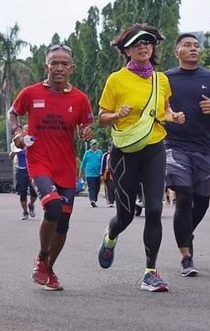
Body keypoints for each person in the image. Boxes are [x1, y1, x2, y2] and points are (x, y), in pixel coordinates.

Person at [96, 23, 185, 292]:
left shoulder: (162, 80)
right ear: (126, 50)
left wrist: (174, 117)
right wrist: (117, 115)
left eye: (147, 42)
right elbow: (101, 118)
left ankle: (150, 271)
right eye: (137, 44)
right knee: (124, 216)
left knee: (155, 210)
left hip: (155, 148)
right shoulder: (116, 79)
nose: (143, 47)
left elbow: (165, 110)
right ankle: (111, 236)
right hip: (125, 153)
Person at [8, 43, 93, 291]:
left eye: (64, 64)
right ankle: (42, 257)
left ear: (71, 69)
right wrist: (17, 131)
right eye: (54, 63)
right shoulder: (30, 93)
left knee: (63, 223)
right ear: (46, 66)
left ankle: (49, 268)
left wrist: (86, 132)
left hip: (65, 166)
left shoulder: (80, 99)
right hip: (39, 162)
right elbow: (13, 113)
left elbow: (85, 128)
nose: (58, 68)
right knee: (53, 208)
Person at [164, 32, 210, 276]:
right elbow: (153, 106)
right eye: (187, 45)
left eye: (196, 46)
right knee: (183, 196)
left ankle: (185, 232)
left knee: (202, 202)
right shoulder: (165, 79)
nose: (193, 49)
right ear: (177, 52)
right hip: (174, 146)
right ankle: (186, 257)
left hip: (203, 148)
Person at [9, 143, 37, 220]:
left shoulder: (30, 143)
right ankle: (25, 212)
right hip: (21, 171)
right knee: (23, 192)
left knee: (34, 192)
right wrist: (14, 151)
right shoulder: (17, 145)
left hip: (32, 170)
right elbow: (10, 157)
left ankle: (31, 204)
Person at [79, 139, 104, 208]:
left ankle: (94, 200)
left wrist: (103, 173)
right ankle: (92, 200)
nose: (94, 146)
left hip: (98, 173)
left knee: (97, 188)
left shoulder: (100, 152)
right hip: (89, 173)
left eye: (95, 144)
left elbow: (103, 163)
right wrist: (80, 172)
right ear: (91, 145)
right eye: (93, 144)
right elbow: (83, 163)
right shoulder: (87, 153)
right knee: (92, 187)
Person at [100, 144, 114, 208]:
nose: (110, 147)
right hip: (107, 172)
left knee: (115, 187)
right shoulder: (105, 155)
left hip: (115, 173)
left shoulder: (116, 154)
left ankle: (114, 200)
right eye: (110, 146)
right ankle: (110, 201)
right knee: (108, 187)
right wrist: (101, 174)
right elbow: (102, 164)